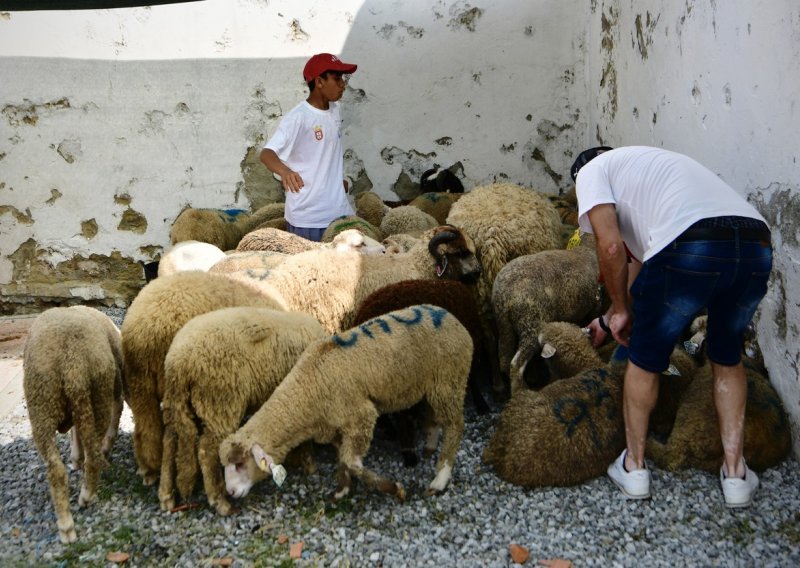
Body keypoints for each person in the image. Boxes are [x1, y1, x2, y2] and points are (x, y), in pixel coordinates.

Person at [571, 145, 772, 508]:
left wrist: (618, 310)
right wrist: (610, 316)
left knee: (645, 358)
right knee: (727, 357)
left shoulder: (591, 171)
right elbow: (637, 264)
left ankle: (633, 467)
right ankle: (736, 475)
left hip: (690, 242)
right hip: (755, 242)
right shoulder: (648, 171)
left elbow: (612, 248)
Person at [260, 53, 358, 242]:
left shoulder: (334, 111)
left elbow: (321, 154)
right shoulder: (299, 117)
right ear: (319, 81)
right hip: (309, 219)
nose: (342, 84)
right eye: (337, 79)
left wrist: (335, 180)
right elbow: (267, 154)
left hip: (339, 211)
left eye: (343, 79)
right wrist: (285, 171)